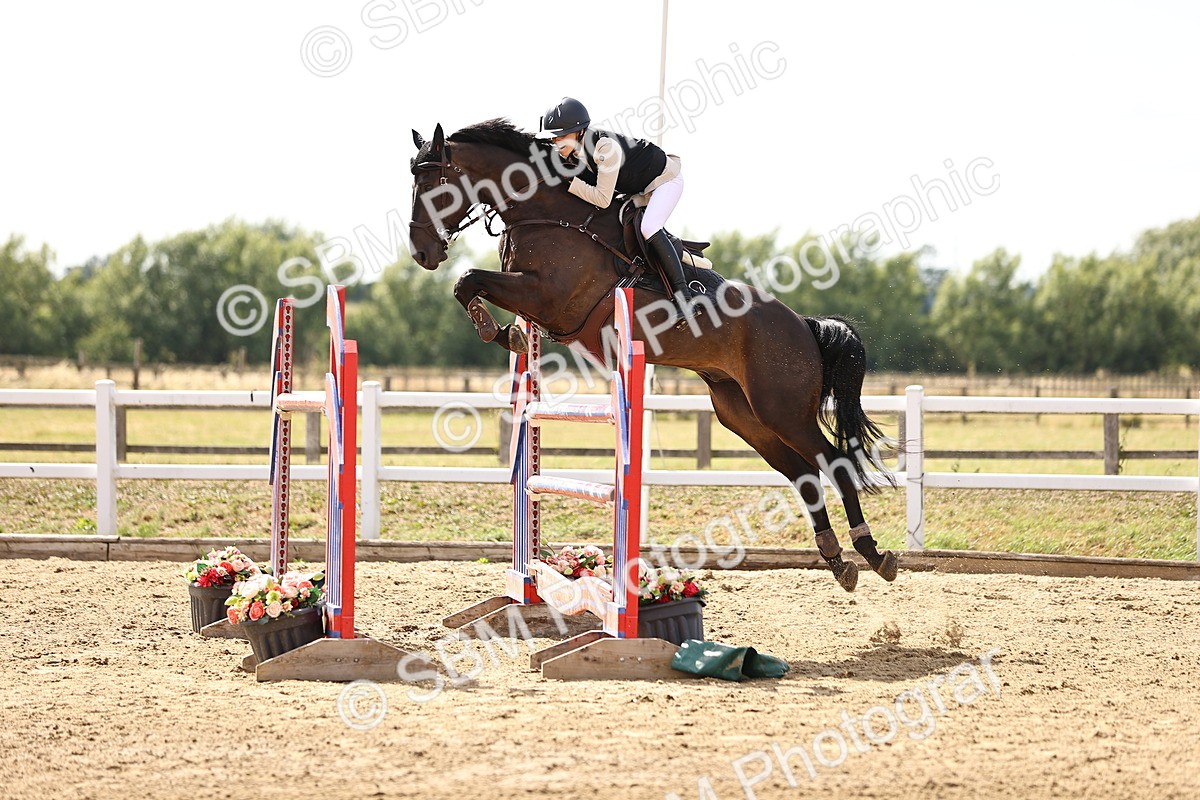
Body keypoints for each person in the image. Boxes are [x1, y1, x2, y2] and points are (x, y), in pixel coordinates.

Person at [536, 97, 697, 326]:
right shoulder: (574, 152)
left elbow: (602, 198)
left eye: (560, 136)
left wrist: (570, 182)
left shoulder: (604, 147)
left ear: (579, 132)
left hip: (665, 181)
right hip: (639, 188)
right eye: (554, 137)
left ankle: (684, 299)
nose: (555, 141)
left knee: (649, 227)